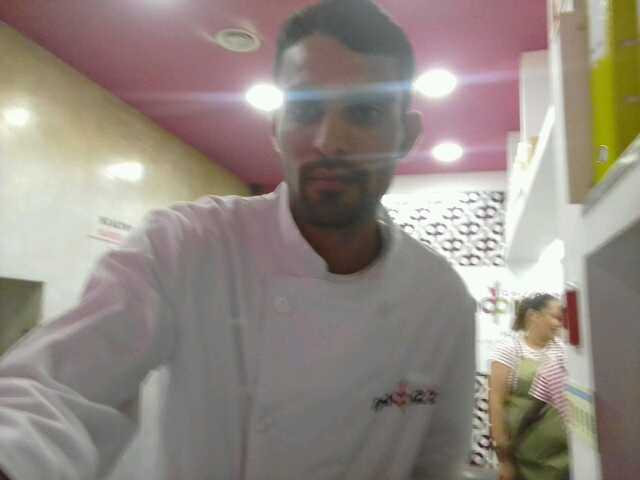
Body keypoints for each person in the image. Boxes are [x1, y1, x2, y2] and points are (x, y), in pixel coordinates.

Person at [0, 1, 476, 479]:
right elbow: (56, 389)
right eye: (306, 109)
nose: (329, 141)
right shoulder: (186, 245)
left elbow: (436, 466)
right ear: (276, 128)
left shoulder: (440, 300)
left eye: (365, 112)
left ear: (406, 134)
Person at [488, 293, 570, 480]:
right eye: (556, 317)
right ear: (533, 316)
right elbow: (496, 402)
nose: (559, 324)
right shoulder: (510, 349)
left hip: (563, 460)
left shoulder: (562, 349)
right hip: (523, 459)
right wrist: (504, 460)